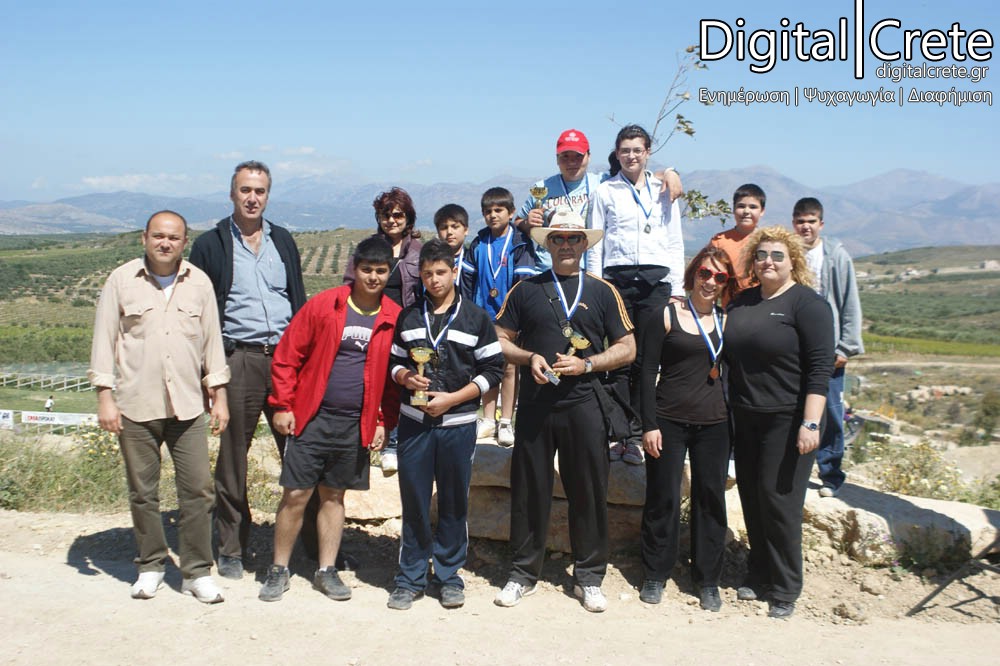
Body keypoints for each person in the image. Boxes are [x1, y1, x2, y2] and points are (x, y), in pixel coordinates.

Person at [493, 209, 635, 613]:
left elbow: (628, 348)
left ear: (585, 243)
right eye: (558, 238)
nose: (567, 245)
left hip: (584, 403)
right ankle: (523, 574)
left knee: (589, 491)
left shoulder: (603, 291)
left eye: (574, 238)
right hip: (536, 405)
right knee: (529, 490)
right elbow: (499, 338)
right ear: (548, 244)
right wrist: (529, 357)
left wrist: (588, 364)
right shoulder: (525, 289)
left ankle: (589, 577)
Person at [89, 210, 229, 603]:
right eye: (158, 236)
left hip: (188, 405)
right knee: (142, 492)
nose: (165, 243)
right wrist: (105, 395)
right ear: (144, 238)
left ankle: (196, 572)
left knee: (198, 491)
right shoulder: (121, 280)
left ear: (185, 242)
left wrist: (218, 394)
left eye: (173, 237)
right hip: (136, 403)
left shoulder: (198, 282)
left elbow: (212, 341)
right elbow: (104, 338)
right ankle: (150, 565)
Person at [258, 237, 401, 602]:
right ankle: (279, 569)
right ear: (355, 269)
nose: (373, 277)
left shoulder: (392, 317)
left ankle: (326, 569)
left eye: (380, 271)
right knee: (296, 494)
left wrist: (382, 420)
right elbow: (287, 355)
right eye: (366, 269)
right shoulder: (325, 305)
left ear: (389, 272)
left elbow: (390, 380)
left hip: (354, 423)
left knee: (334, 496)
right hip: (312, 418)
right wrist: (283, 405)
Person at [188, 160, 309, 580]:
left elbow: (297, 298)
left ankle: (308, 545)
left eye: (259, 191)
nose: (252, 198)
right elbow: (201, 312)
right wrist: (209, 372)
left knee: (299, 451)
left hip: (285, 360)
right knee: (232, 459)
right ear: (232, 193)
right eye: (245, 190)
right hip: (238, 358)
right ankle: (232, 548)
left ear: (268, 195)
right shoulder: (210, 245)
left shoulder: (283, 241)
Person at [386, 239, 505, 610]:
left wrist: (452, 399)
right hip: (414, 424)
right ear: (420, 275)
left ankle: (449, 576)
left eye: (441, 272)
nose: (434, 280)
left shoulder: (476, 318)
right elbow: (394, 363)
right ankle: (410, 577)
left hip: (458, 424)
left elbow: (494, 370)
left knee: (453, 503)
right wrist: (406, 377)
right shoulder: (409, 317)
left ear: (454, 272)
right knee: (415, 502)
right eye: (427, 274)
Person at [723, 226, 834, 619]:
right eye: (761, 255)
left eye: (777, 255)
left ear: (792, 262)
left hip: (787, 419)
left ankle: (786, 586)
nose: (767, 261)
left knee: (779, 501)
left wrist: (811, 424)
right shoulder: (742, 301)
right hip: (745, 416)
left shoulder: (808, 305)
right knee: (752, 498)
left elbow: (820, 370)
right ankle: (759, 572)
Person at [637, 245, 737, 611]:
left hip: (715, 424)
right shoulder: (665, 315)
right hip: (668, 420)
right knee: (662, 497)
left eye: (719, 276)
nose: (710, 281)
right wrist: (648, 424)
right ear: (693, 274)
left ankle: (708, 579)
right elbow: (645, 371)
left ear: (726, 283)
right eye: (704, 273)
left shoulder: (728, 320)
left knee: (710, 500)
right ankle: (655, 573)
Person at [588, 124, 684, 466]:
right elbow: (595, 241)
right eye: (625, 150)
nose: (631, 156)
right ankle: (620, 436)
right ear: (617, 154)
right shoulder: (605, 191)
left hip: (657, 282)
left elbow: (674, 239)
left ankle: (642, 432)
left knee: (647, 360)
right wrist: (595, 286)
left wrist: (678, 290)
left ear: (647, 153)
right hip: (618, 281)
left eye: (637, 150)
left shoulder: (664, 190)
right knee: (619, 358)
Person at [514, 128, 682, 272]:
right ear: (557, 158)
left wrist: (670, 173)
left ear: (589, 156)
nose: (571, 162)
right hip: (548, 270)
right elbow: (518, 221)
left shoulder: (603, 183)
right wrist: (527, 223)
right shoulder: (542, 188)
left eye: (578, 156)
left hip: (588, 271)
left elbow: (638, 176)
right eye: (565, 156)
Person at [344, 187, 424, 474]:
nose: (392, 220)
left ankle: (393, 444)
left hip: (405, 328)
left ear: (408, 218)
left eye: (398, 215)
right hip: (371, 324)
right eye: (385, 215)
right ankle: (365, 442)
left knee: (400, 385)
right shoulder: (367, 248)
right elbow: (348, 284)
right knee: (370, 383)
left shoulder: (418, 251)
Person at [792, 197, 864, 498]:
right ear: (793, 223)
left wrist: (846, 348)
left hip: (829, 349)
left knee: (831, 411)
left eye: (811, 221)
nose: (805, 227)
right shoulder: (789, 254)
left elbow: (850, 303)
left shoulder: (836, 256)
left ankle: (830, 474)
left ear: (821, 224)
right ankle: (794, 470)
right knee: (794, 408)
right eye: (800, 221)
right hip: (795, 348)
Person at [468, 187, 536, 446]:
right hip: (482, 315)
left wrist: (517, 316)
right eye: (488, 211)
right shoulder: (479, 242)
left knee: (509, 367)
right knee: (487, 366)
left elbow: (523, 284)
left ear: (511, 213)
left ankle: (506, 420)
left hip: (510, 318)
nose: (493, 215)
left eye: (499, 210)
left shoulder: (520, 243)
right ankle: (487, 419)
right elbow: (468, 281)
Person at [710, 183, 767, 294]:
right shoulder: (719, 241)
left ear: (762, 211)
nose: (746, 211)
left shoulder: (768, 241)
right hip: (729, 302)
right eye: (741, 206)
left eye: (753, 207)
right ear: (733, 209)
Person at [434, 203, 476, 302]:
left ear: (466, 230)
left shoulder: (473, 262)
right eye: (444, 228)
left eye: (455, 227)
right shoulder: (431, 263)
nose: (449, 232)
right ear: (438, 232)